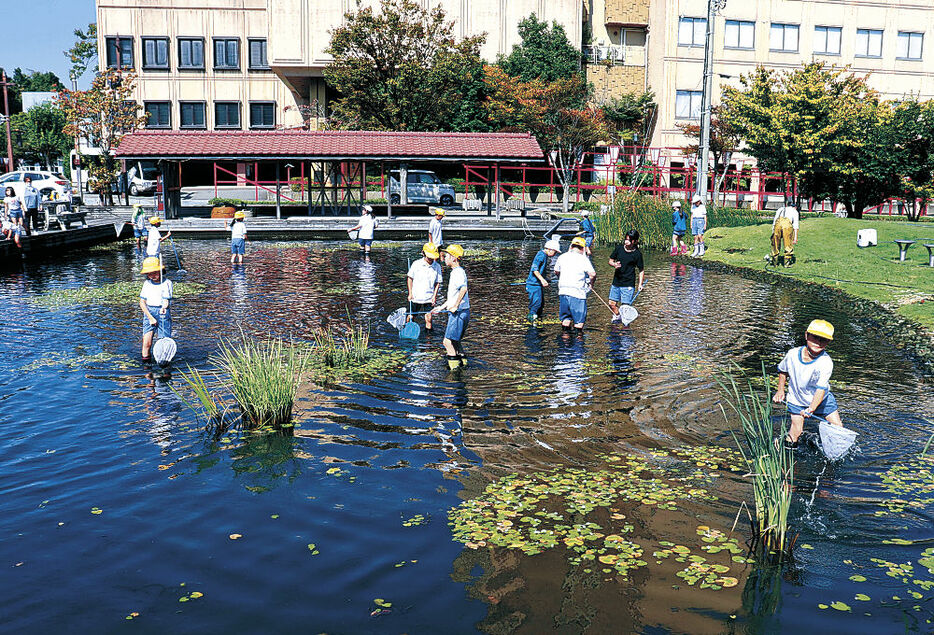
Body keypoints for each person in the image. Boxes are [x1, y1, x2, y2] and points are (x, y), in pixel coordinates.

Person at [772, 319, 843, 449]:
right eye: (815, 337)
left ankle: (834, 451)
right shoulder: (792, 354)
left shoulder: (826, 362)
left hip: (822, 400)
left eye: (823, 339)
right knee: (796, 431)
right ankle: (788, 452)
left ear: (828, 342)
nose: (818, 342)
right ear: (806, 335)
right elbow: (783, 371)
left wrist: (811, 408)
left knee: (838, 428)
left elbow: (821, 389)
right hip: (797, 399)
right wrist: (780, 390)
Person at [431, 244, 470, 370]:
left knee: (447, 342)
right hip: (463, 312)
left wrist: (455, 306)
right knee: (456, 341)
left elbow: (463, 289)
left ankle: (454, 372)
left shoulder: (457, 273)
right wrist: (441, 307)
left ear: (454, 258)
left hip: (458, 313)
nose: (444, 258)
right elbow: (452, 296)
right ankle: (463, 366)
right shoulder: (458, 272)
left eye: (447, 255)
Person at [554, 236, 596, 335]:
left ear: (571, 246)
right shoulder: (583, 259)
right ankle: (578, 347)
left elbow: (556, 271)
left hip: (563, 291)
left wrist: (561, 277)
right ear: (582, 248)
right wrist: (591, 284)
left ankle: (565, 345)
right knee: (579, 322)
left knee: (566, 319)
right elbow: (592, 274)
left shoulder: (562, 257)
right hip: (577, 293)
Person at [138, 256, 173, 364]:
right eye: (149, 273)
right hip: (149, 312)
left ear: (160, 270)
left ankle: (164, 366)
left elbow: (166, 301)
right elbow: (142, 302)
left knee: (163, 342)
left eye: (155, 272)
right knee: (146, 343)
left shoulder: (167, 283)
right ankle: (147, 369)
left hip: (162, 313)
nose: (152, 276)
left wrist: (164, 308)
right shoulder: (147, 284)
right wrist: (150, 317)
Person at [608, 229, 645, 323]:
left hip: (628, 283)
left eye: (629, 240)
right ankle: (617, 316)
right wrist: (614, 264)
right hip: (616, 281)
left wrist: (640, 284)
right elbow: (610, 260)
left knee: (625, 308)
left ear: (635, 241)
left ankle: (625, 329)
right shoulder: (619, 248)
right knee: (611, 304)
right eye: (626, 239)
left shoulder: (637, 254)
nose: (626, 241)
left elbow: (641, 270)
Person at [407, 242, 443, 332]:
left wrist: (434, 296)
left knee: (429, 318)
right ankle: (406, 329)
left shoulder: (437, 266)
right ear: (423, 253)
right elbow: (410, 278)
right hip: (416, 296)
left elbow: (437, 283)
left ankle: (428, 341)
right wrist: (410, 293)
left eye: (432, 257)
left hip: (428, 297)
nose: (431, 259)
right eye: (429, 256)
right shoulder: (416, 264)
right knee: (411, 316)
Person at [526, 238, 560, 323]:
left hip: (538, 284)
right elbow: (534, 269)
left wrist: (546, 279)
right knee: (536, 303)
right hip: (533, 284)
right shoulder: (541, 255)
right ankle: (532, 321)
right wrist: (542, 280)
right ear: (549, 249)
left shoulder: (544, 255)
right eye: (555, 252)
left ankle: (538, 319)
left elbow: (541, 271)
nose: (555, 254)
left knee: (541, 304)